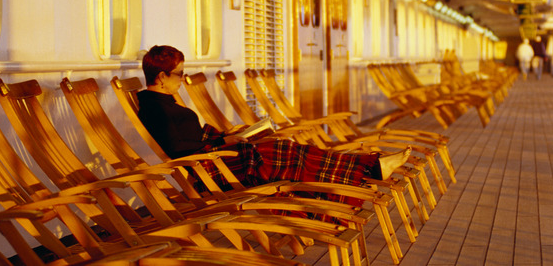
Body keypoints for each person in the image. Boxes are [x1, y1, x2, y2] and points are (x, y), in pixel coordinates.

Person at [136, 45, 411, 195]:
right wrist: (223, 141)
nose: (183, 80)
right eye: (179, 74)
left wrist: (234, 136)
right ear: (161, 77)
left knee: (286, 147)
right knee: (284, 151)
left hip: (218, 157)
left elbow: (190, 138)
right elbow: (179, 150)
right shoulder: (156, 108)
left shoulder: (164, 102)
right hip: (209, 170)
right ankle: (369, 167)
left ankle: (369, 166)